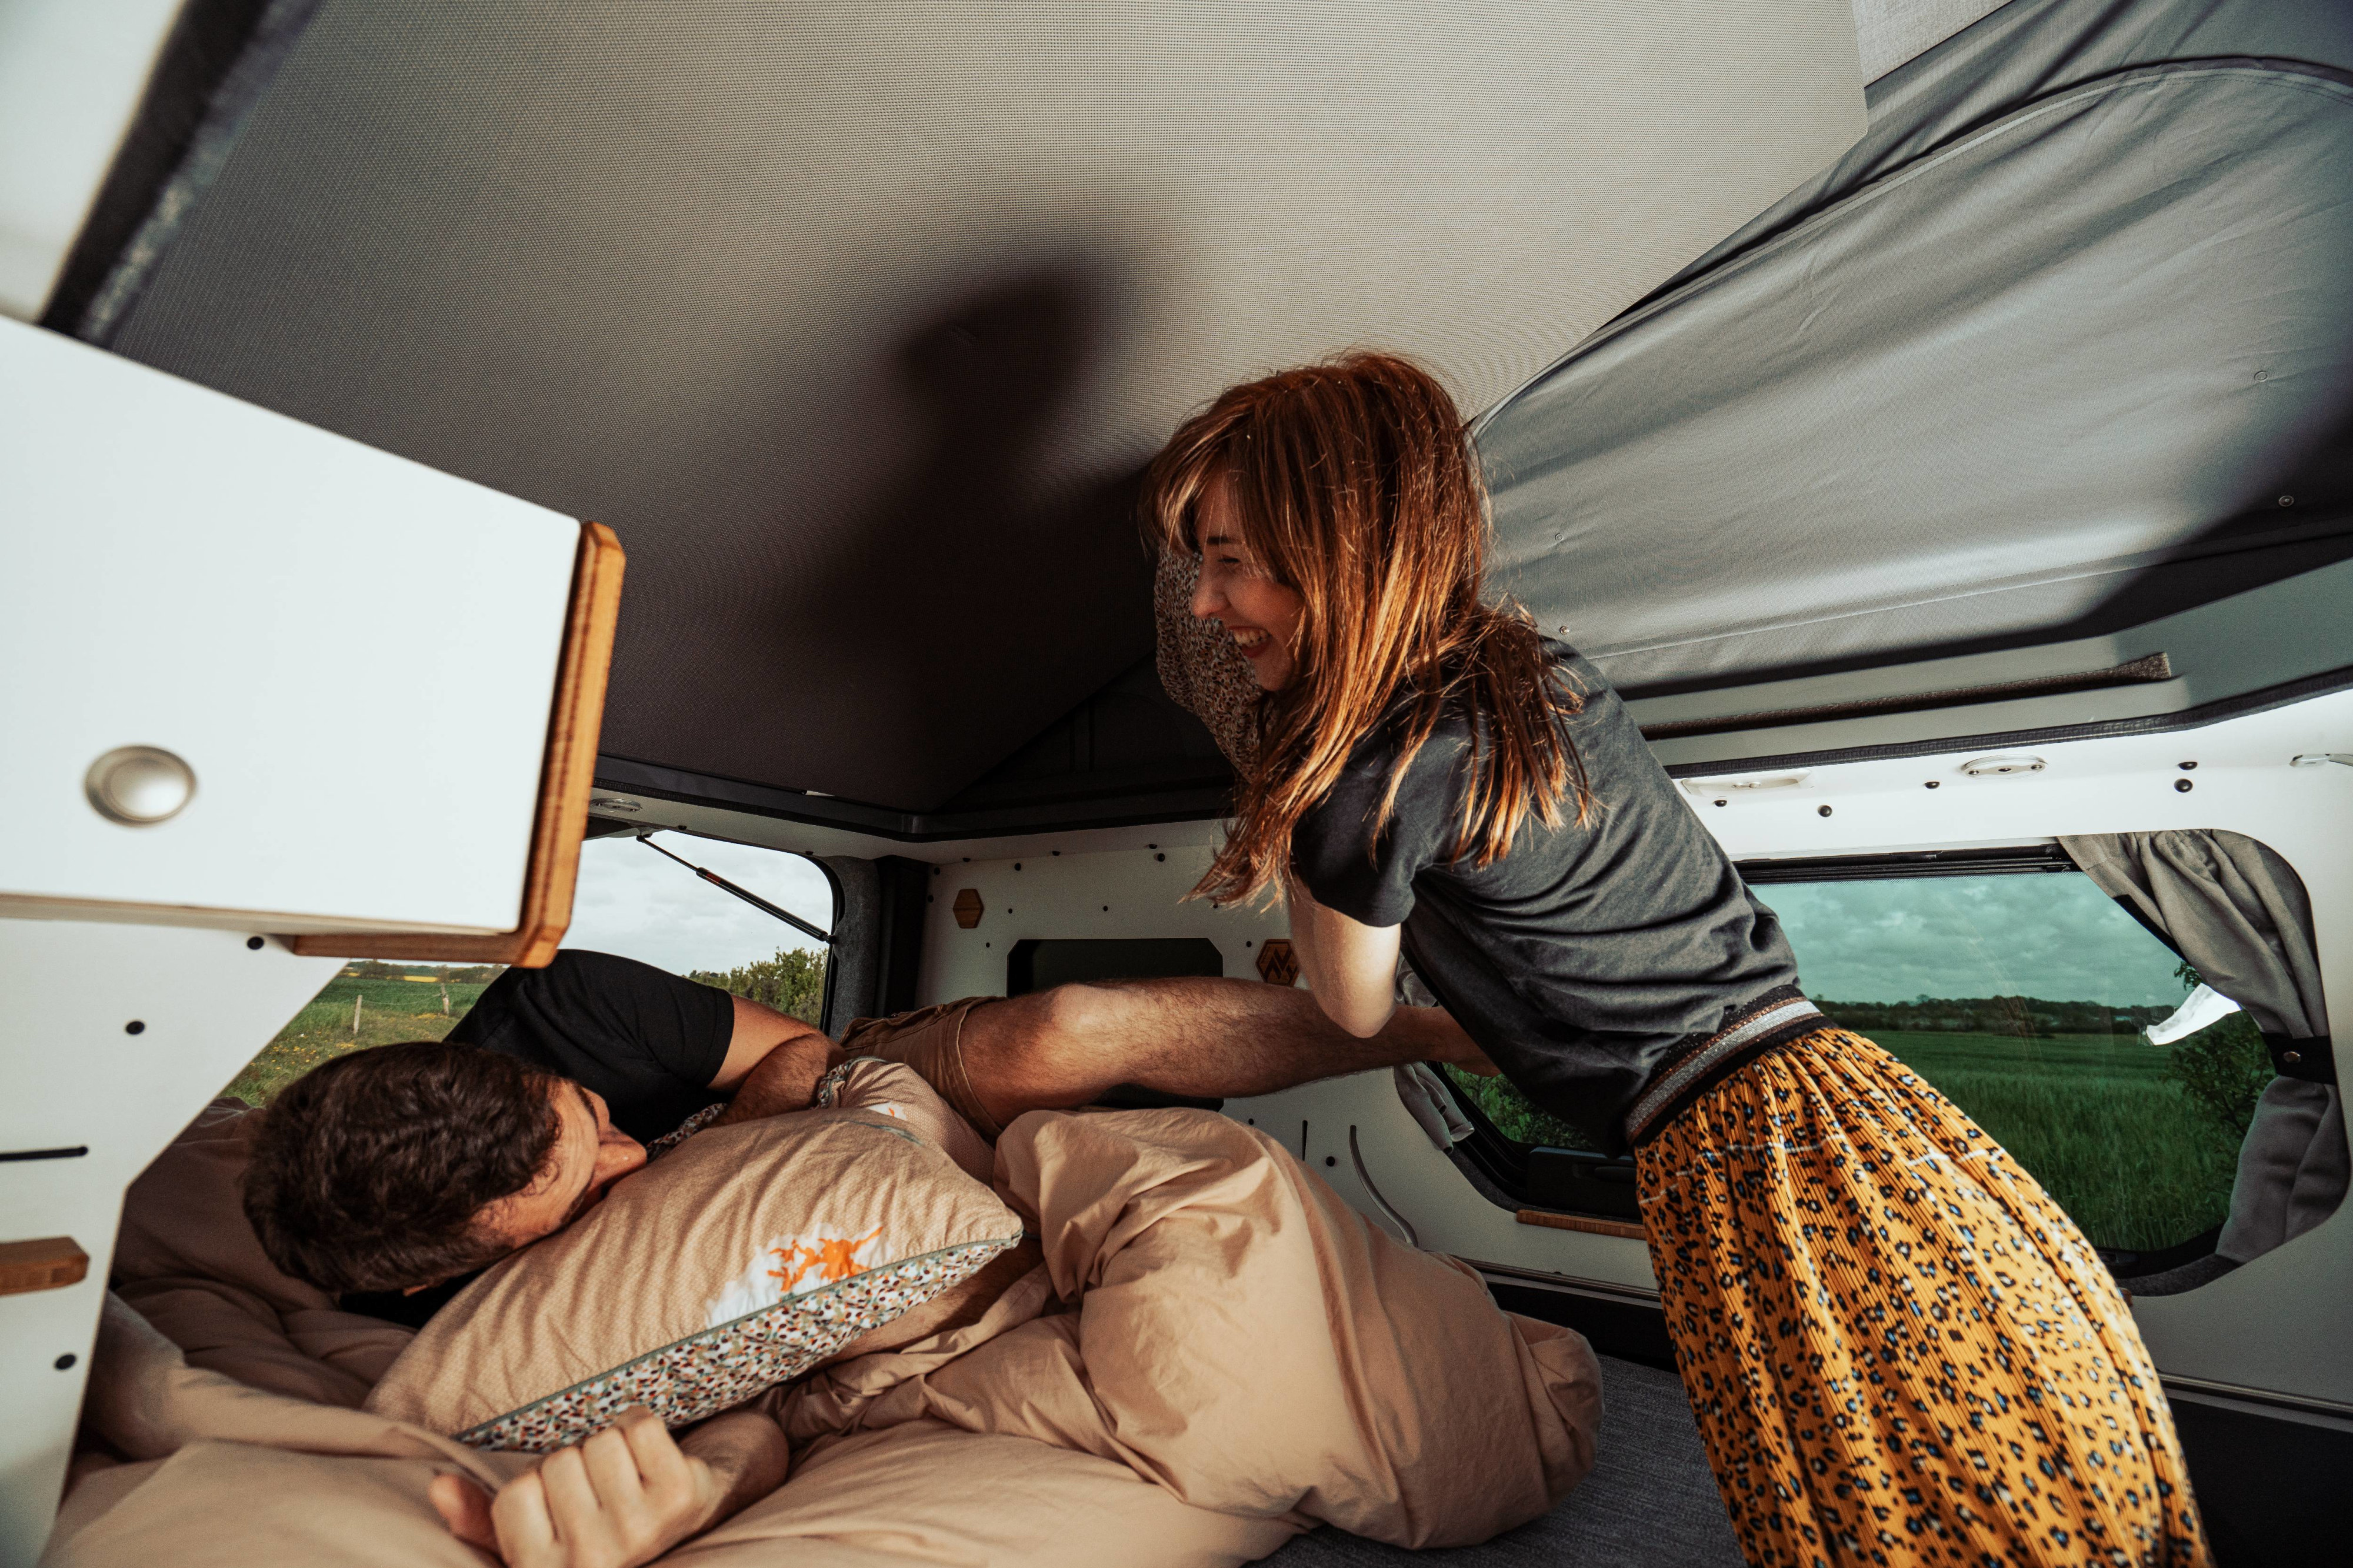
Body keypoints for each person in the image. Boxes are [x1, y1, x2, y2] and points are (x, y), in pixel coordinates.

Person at [1142, 352, 2212, 1568]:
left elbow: (1347, 1005)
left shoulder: (1358, 783)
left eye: (1228, 559)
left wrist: (1293, 774)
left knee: (1853, 1507)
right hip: (1858, 1112)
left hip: (1742, 1169)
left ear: (1332, 548)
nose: (1199, 605)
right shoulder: (1538, 676)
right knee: (2020, 1479)